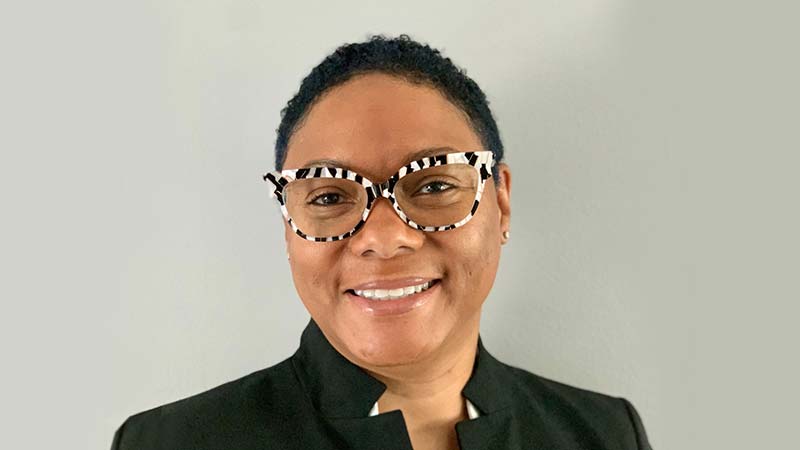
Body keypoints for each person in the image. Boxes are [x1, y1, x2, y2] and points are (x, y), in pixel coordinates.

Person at [111, 34, 652, 450]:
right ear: (287, 223)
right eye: (328, 197)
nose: (384, 237)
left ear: (500, 202)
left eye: (435, 184)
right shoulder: (170, 443)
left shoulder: (604, 434)